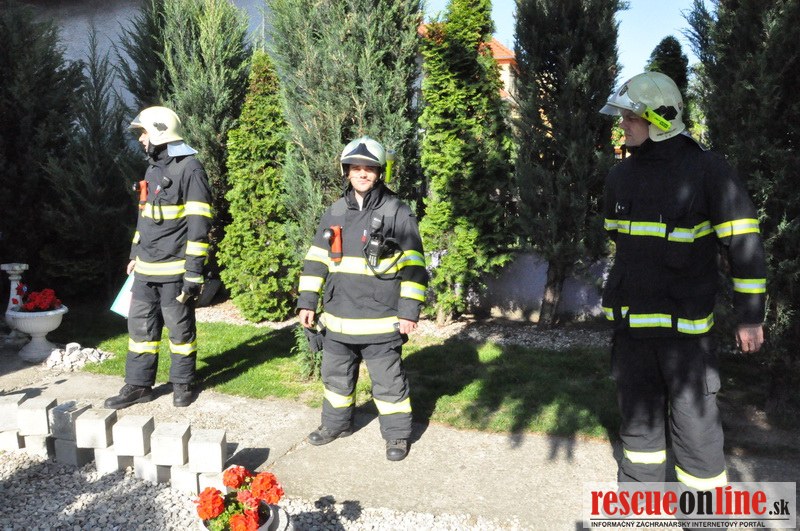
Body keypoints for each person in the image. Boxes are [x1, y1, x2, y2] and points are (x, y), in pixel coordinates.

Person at [599, 72, 767, 491]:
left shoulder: (709, 172)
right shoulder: (619, 177)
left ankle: (701, 514)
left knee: (697, 435)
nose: (623, 125)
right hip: (633, 334)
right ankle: (639, 505)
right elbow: (624, 247)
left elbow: (744, 244)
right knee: (638, 432)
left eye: (631, 117)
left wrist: (750, 317)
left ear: (660, 119)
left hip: (687, 338)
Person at [297, 136, 427, 461]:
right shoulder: (334, 212)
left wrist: (409, 312)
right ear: (346, 172)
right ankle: (335, 425)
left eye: (369, 168)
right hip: (338, 319)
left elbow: (414, 266)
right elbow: (316, 260)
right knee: (335, 378)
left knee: (388, 383)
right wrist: (307, 302)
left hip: (381, 321)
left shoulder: (397, 212)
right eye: (355, 168)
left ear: (380, 172)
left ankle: (396, 436)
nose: (362, 174)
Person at [104, 106, 212, 410]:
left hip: (175, 270)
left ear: (160, 133)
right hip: (145, 268)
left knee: (180, 330)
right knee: (140, 329)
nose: (140, 139)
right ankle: (138, 385)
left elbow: (199, 226)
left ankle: (182, 383)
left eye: (143, 133)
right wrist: (135, 253)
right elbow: (145, 217)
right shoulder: (152, 169)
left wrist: (193, 273)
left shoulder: (190, 169)